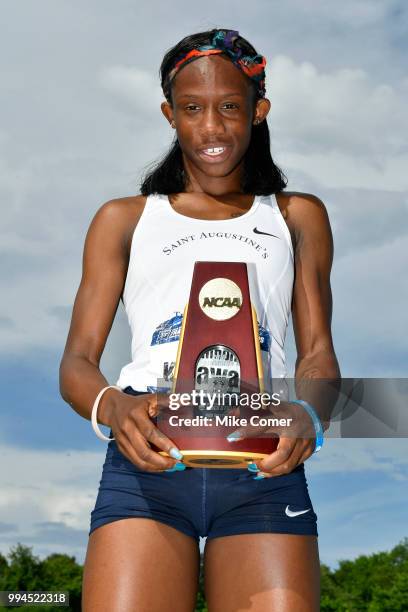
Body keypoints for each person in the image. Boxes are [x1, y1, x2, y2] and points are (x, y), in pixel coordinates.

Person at [59, 28, 341, 612]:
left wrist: (310, 412)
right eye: (192, 109)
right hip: (148, 464)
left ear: (258, 111)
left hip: (262, 467)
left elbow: (317, 354)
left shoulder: (297, 217)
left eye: (230, 107)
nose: (211, 127)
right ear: (170, 114)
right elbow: (76, 363)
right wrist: (114, 407)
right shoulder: (123, 219)